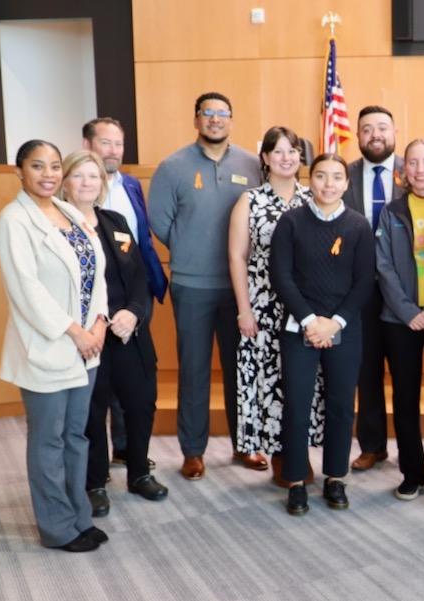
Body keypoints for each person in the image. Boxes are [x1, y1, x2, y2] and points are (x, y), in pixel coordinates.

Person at [0, 140, 109, 551]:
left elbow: (95, 272)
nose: (48, 174)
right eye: (37, 166)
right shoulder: (14, 219)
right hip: (47, 346)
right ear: (20, 172)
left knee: (77, 436)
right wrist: (74, 331)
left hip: (86, 348)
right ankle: (57, 527)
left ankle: (78, 515)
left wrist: (98, 323)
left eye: (55, 166)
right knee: (49, 440)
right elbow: (26, 289)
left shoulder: (68, 213)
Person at [148, 92, 262, 479]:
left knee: (240, 368)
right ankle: (193, 450)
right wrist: (188, 249)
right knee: (194, 369)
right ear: (196, 119)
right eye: (207, 113)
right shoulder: (172, 167)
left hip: (240, 289)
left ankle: (245, 444)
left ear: (232, 119)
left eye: (222, 114)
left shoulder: (251, 163)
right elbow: (160, 223)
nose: (215, 119)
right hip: (192, 285)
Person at [60, 150, 167, 519]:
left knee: (140, 403)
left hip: (128, 333)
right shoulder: (58, 228)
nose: (87, 183)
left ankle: (138, 473)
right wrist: (101, 321)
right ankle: (94, 482)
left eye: (93, 176)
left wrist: (134, 313)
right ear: (65, 182)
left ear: (102, 184)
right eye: (78, 176)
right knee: (92, 412)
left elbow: (138, 275)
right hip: (87, 338)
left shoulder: (116, 221)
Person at [269, 153, 375, 515]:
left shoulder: (358, 226)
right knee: (297, 405)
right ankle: (296, 481)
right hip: (300, 326)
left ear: (347, 183)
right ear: (309, 180)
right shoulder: (291, 222)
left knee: (342, 406)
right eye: (320, 176)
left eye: (336, 177)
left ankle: (335, 477)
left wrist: (335, 323)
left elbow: (364, 282)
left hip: (344, 327)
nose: (328, 184)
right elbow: (282, 277)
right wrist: (312, 321)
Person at [229, 126, 325, 487]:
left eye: (293, 151)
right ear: (266, 158)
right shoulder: (249, 201)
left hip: (306, 307)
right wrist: (244, 309)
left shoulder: (313, 198)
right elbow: (238, 257)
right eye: (278, 151)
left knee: (304, 382)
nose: (286, 157)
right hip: (264, 304)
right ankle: (280, 455)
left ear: (301, 157)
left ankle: (298, 450)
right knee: (270, 380)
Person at [81, 117, 166, 472]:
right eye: (105, 142)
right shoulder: (64, 210)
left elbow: (139, 247)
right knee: (97, 395)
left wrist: (137, 304)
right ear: (87, 146)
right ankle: (96, 475)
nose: (113, 150)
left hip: (131, 303)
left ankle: (130, 456)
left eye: (119, 144)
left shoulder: (129, 188)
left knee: (136, 388)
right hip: (89, 318)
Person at [376, 138, 424, 501]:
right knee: (404, 398)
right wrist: (409, 311)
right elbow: (384, 267)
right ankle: (411, 473)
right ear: (403, 169)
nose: (420, 170)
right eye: (413, 163)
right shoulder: (391, 211)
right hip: (399, 319)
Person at [343, 106, 405, 472]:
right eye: (367, 129)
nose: (375, 135)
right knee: (365, 370)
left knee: (404, 369)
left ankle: (408, 446)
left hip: (404, 289)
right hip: (360, 288)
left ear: (395, 132)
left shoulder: (413, 170)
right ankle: (372, 445)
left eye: (382, 127)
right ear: (359, 135)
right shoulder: (344, 175)